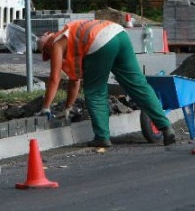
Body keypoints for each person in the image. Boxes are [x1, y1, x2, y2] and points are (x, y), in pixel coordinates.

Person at [39, 19, 177, 148]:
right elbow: (74, 81)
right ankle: (166, 127)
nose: (50, 55)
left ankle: (102, 137)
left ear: (48, 44)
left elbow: (54, 79)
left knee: (95, 91)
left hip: (100, 41)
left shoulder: (57, 42)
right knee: (138, 85)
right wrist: (68, 107)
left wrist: (45, 107)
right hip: (120, 34)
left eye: (46, 52)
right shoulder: (73, 35)